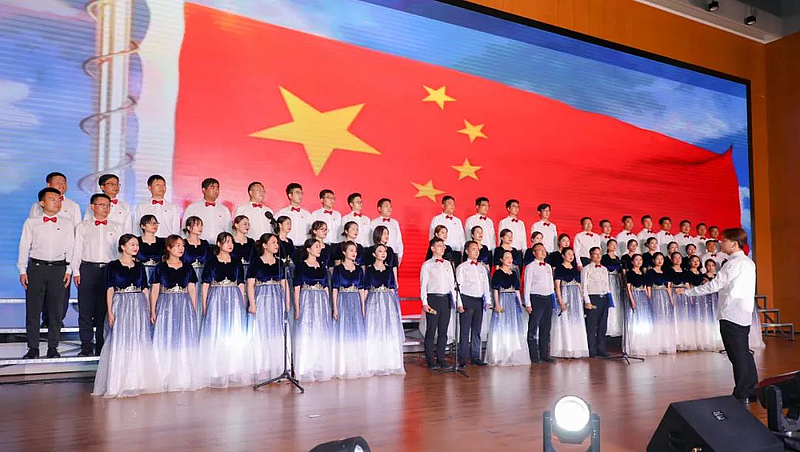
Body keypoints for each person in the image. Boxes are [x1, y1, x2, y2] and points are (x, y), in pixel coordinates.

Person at [680, 228, 759, 403]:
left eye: (723, 240)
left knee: (737, 355)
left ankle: (741, 393)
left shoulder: (733, 263)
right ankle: (752, 390)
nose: (720, 243)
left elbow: (715, 285)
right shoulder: (748, 262)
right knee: (744, 353)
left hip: (731, 313)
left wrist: (689, 292)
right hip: (743, 312)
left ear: (734, 243)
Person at [92, 234, 159, 397]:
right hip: (120, 303)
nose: (136, 247)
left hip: (138, 304)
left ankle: (137, 381)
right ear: (123, 247)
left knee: (138, 338)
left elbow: (145, 288)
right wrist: (110, 311)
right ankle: (118, 382)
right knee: (120, 339)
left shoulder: (140, 266)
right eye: (132, 244)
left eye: (137, 245)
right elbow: (110, 289)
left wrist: (149, 308)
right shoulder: (113, 266)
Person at [18, 188, 74, 359]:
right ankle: (33, 347)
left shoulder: (67, 223)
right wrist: (22, 270)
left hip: (58, 269)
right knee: (33, 310)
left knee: (56, 310)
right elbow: (24, 246)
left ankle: (53, 347)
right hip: (36, 268)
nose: (57, 202)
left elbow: (70, 247)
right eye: (52, 199)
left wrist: (69, 270)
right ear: (42, 203)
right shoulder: (31, 222)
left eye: (58, 199)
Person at [150, 235, 202, 392]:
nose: (181, 248)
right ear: (168, 247)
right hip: (166, 303)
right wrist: (153, 309)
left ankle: (183, 376)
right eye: (177, 245)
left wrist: (193, 308)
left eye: (182, 245)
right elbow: (155, 290)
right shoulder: (160, 267)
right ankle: (164, 376)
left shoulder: (188, 267)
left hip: (184, 303)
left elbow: (192, 288)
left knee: (184, 337)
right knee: (166, 337)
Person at [72, 193, 122, 356]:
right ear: (92, 207)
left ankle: (102, 344)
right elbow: (77, 250)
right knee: (85, 308)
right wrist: (76, 271)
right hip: (87, 268)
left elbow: (120, 252)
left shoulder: (117, 227)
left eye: (108, 205)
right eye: (102, 205)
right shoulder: (83, 226)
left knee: (104, 308)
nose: (106, 208)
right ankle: (86, 344)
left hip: (109, 269)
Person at [199, 232, 251, 388]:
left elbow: (241, 283)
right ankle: (216, 370)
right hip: (216, 297)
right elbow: (205, 284)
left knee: (233, 331)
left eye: (231, 242)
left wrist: (242, 303)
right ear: (219, 244)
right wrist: (205, 305)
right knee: (217, 330)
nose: (230, 245)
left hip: (234, 297)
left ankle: (233, 369)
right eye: (226, 242)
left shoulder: (236, 261)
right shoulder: (211, 261)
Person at [247, 233, 290, 382]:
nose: (276, 245)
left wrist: (287, 301)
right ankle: (262, 368)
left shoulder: (280, 263)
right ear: (264, 245)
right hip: (262, 298)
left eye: (277, 242)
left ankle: (278, 367)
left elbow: (284, 283)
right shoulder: (256, 262)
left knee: (277, 331)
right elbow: (250, 284)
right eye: (273, 242)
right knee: (262, 331)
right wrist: (252, 304)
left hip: (277, 298)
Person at [292, 238, 335, 382]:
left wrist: (328, 306)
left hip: (321, 300)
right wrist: (297, 308)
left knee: (320, 331)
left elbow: (326, 287)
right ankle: (305, 367)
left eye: (319, 246)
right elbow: (297, 288)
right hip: (307, 299)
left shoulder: (322, 266)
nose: (319, 249)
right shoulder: (301, 266)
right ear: (308, 249)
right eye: (316, 246)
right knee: (306, 330)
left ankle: (320, 365)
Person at [363, 244, 405, 376]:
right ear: (374, 254)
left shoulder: (389, 270)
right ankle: (374, 363)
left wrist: (395, 307)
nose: (383, 253)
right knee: (374, 329)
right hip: (373, 300)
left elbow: (392, 288)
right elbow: (365, 288)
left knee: (388, 329)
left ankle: (390, 362)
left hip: (388, 301)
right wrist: (363, 306)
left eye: (384, 251)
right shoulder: (369, 270)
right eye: (380, 251)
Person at [485, 249, 530, 366]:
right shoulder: (498, 273)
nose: (510, 260)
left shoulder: (514, 273)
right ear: (501, 259)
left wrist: (519, 304)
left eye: (511, 257)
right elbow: (495, 290)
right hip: (503, 299)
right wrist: (497, 304)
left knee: (513, 325)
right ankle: (501, 354)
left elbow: (517, 290)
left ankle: (512, 353)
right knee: (502, 324)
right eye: (507, 257)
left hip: (513, 301)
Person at [331, 242, 367, 379]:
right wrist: (335, 307)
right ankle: (342, 365)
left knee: (355, 331)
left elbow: (361, 289)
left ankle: (355, 364)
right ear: (344, 252)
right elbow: (335, 289)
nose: (354, 253)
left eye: (355, 251)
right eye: (351, 250)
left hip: (355, 301)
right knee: (343, 331)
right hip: (343, 299)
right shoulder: (338, 269)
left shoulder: (359, 270)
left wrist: (363, 306)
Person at [420, 237, 457, 369]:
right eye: (439, 246)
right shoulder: (427, 265)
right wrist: (424, 302)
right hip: (433, 298)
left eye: (443, 246)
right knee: (431, 330)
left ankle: (441, 359)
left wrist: (456, 302)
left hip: (446, 299)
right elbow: (423, 285)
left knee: (443, 331)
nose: (442, 248)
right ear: (433, 248)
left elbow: (452, 285)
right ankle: (430, 360)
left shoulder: (448, 264)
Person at [455, 241, 492, 367]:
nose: (477, 252)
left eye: (478, 249)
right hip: (467, 300)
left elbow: (485, 285)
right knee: (465, 331)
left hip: (478, 301)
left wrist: (487, 300)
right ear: (467, 251)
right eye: (474, 249)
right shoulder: (462, 267)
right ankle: (463, 358)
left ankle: (476, 357)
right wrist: (459, 303)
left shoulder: (482, 268)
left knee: (477, 330)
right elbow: (458, 287)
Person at [550, 247, 589, 358]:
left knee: (575, 321)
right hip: (565, 294)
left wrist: (582, 296)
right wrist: (560, 300)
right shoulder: (559, 268)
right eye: (568, 254)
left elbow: (579, 284)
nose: (571, 256)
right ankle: (566, 348)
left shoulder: (575, 269)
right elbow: (557, 286)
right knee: (565, 320)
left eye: (572, 254)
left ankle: (575, 348)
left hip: (575, 296)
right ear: (563, 256)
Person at [523, 243, 555, 363]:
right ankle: (533, 356)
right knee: (533, 327)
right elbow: (527, 285)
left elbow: (551, 285)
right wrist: (527, 303)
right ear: (534, 253)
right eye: (539, 250)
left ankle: (544, 354)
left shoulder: (548, 266)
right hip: (536, 298)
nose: (542, 252)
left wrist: (553, 300)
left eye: (544, 250)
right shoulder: (530, 267)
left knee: (546, 328)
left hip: (548, 299)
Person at [624, 254, 659, 356]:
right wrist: (632, 301)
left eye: (640, 260)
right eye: (636, 259)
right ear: (632, 262)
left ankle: (644, 344)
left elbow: (645, 287)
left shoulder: (644, 273)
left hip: (643, 297)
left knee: (644, 319)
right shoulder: (629, 273)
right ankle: (634, 345)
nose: (639, 261)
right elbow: (628, 288)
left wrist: (648, 298)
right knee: (635, 319)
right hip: (634, 295)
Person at [582, 247, 611, 358]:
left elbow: (607, 285)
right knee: (592, 325)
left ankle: (601, 348)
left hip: (604, 297)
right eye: (595, 254)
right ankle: (591, 349)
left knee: (602, 325)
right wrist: (587, 301)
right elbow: (584, 287)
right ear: (591, 255)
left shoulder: (604, 269)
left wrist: (609, 300)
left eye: (600, 254)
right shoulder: (586, 269)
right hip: (593, 297)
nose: (598, 256)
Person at [183, 178, 232, 243]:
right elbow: (185, 230)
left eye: (217, 188)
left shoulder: (224, 209)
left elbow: (228, 230)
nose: (216, 190)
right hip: (199, 245)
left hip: (219, 245)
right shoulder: (193, 208)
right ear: (204, 190)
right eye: (212, 188)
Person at [647, 252, 677, 354]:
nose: (660, 261)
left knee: (665, 318)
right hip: (655, 295)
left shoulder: (665, 272)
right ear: (653, 260)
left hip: (664, 296)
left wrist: (671, 298)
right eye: (657, 259)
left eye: (662, 259)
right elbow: (648, 286)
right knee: (656, 317)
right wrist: (649, 298)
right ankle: (656, 343)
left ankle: (666, 343)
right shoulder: (650, 272)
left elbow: (668, 287)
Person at [668, 252, 696, 351]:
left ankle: (685, 341)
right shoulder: (669, 271)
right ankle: (676, 342)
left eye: (679, 257)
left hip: (685, 295)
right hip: (675, 294)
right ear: (672, 260)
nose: (677, 259)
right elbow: (669, 286)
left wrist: (690, 296)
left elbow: (687, 285)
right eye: (675, 258)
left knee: (685, 316)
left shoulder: (685, 271)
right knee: (676, 316)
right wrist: (671, 297)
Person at [429, 196, 465, 264]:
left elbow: (462, 239)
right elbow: (432, 238)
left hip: (456, 253)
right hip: (443, 253)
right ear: (443, 206)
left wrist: (464, 255)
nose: (452, 206)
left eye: (453, 204)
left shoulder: (458, 221)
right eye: (449, 203)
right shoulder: (436, 219)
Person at [276, 183, 312, 247]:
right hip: (287, 246)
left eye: (301, 193)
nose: (300, 195)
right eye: (297, 193)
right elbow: (275, 230)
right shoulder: (281, 213)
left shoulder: (307, 214)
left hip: (304, 247)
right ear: (290, 195)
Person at [370, 198, 404, 264]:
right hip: (379, 256)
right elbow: (371, 241)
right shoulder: (374, 222)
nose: (389, 208)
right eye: (386, 206)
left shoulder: (395, 223)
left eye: (390, 207)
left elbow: (399, 241)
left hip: (393, 254)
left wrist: (400, 256)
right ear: (379, 208)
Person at [601, 240, 624, 338]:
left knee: (617, 301)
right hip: (608, 280)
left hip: (616, 281)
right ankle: (608, 327)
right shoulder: (604, 257)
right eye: (612, 245)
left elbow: (620, 272)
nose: (614, 247)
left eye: (615, 245)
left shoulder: (618, 258)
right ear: (607, 246)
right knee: (610, 301)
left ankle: (617, 326)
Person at [136, 214, 164, 283]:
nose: (154, 225)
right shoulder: (136, 241)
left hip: (157, 274)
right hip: (140, 274)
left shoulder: (162, 242)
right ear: (142, 226)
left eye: (155, 223)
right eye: (150, 223)